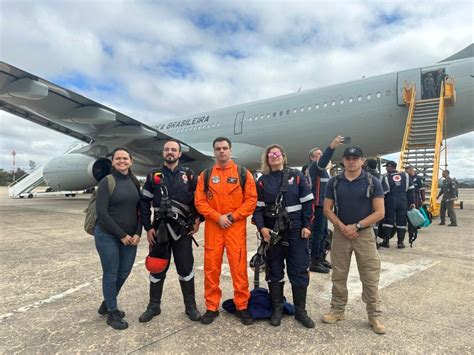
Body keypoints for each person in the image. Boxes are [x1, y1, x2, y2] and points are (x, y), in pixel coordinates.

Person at [322, 146, 386, 334]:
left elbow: (380, 212)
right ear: (343, 161)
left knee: (370, 276)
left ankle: (374, 316)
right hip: (341, 234)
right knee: (339, 275)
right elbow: (327, 209)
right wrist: (343, 227)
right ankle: (337, 310)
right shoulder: (334, 182)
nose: (351, 161)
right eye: (348, 158)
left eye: (355, 158)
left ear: (362, 161)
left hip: (363, 235)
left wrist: (357, 226)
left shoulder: (373, 181)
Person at [194, 137, 257, 325]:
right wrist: (217, 217)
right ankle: (211, 307)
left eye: (225, 148)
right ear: (214, 152)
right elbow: (199, 201)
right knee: (211, 269)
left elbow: (251, 200)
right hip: (214, 228)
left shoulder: (243, 173)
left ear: (230, 150)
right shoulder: (205, 175)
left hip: (235, 229)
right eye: (218, 148)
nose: (221, 151)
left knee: (238, 269)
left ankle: (242, 306)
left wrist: (232, 217)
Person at [138, 139, 202, 323]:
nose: (170, 152)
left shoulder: (189, 175)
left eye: (174, 150)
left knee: (186, 269)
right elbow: (143, 203)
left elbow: (199, 201)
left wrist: (197, 220)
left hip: (183, 231)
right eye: (167, 149)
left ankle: (190, 307)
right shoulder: (153, 176)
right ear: (163, 153)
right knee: (157, 268)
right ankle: (153, 306)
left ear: (180, 154)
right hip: (159, 231)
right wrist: (148, 227)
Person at [253, 144, 315, 328]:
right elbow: (258, 209)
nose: (274, 156)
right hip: (272, 234)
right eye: (271, 154)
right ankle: (277, 309)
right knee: (274, 270)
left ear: (283, 156)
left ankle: (300, 312)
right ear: (267, 158)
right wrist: (262, 228)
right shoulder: (262, 181)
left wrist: (308, 225)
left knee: (299, 270)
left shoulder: (297, 176)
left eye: (277, 153)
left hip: (297, 231)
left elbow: (308, 202)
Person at [94, 147, 142, 330]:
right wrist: (121, 235)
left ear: (131, 161)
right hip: (108, 234)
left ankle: (107, 303)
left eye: (125, 158)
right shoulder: (107, 181)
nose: (122, 161)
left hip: (130, 236)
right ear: (112, 162)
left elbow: (140, 211)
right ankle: (112, 312)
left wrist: (138, 233)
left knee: (124, 272)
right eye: (118, 159)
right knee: (111, 273)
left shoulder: (134, 182)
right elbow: (102, 213)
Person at [307, 136, 344, 273]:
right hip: (316, 205)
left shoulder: (323, 171)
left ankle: (321, 257)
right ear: (311, 158)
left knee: (323, 233)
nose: (320, 157)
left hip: (324, 206)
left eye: (321, 155)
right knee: (317, 233)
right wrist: (331, 147)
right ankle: (314, 261)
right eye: (317, 155)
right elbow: (322, 162)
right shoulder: (314, 167)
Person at [380, 161, 415, 249]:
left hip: (390, 200)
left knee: (388, 221)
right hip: (403, 200)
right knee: (401, 222)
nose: (386, 169)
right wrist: (412, 202)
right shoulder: (406, 176)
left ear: (390, 167)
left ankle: (386, 241)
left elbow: (385, 192)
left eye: (387, 167)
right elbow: (411, 190)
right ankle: (400, 243)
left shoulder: (386, 177)